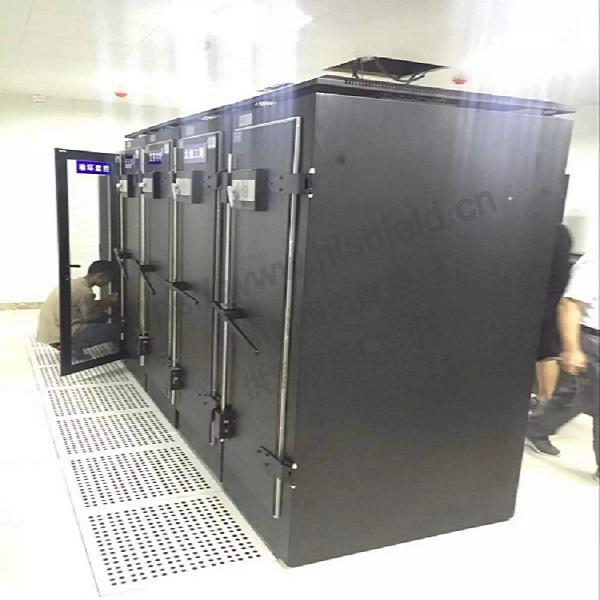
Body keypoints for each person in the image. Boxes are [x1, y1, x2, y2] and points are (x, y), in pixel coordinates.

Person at [527, 248, 599, 479]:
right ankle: (535, 427)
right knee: (579, 398)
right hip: (592, 339)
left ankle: (535, 427)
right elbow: (569, 304)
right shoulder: (595, 260)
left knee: (573, 397)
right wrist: (571, 349)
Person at [36, 260, 119, 360]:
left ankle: (69, 344)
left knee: (103, 317)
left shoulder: (74, 283)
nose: (108, 283)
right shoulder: (85, 292)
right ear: (100, 276)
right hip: (60, 334)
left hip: (48, 331)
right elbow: (90, 315)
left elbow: (84, 307)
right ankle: (72, 346)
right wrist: (109, 302)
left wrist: (103, 302)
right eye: (109, 279)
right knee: (114, 330)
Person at [531, 224, 572, 411]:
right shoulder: (559, 231)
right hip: (551, 294)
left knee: (545, 351)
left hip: (549, 296)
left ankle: (544, 402)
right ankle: (543, 400)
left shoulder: (550, 231)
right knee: (545, 350)